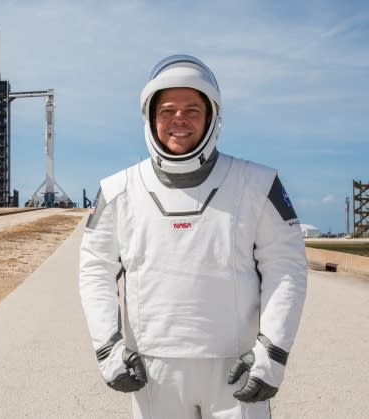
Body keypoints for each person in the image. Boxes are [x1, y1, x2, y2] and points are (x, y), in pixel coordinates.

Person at [79, 54, 307, 418]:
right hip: (152, 371)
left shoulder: (258, 184)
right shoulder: (117, 190)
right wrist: (108, 348)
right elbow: (95, 272)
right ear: (150, 118)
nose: (178, 120)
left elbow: (287, 268)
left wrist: (273, 353)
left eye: (192, 110)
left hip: (238, 368)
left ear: (213, 117)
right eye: (167, 110)